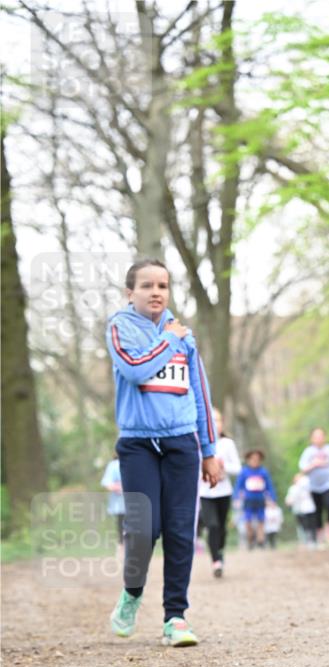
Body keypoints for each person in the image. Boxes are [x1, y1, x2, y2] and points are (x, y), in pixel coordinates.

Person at [106, 258, 219, 646]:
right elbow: (136, 369)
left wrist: (209, 449)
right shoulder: (120, 328)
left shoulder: (184, 336)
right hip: (138, 443)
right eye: (147, 286)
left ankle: (176, 617)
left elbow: (200, 394)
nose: (156, 292)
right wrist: (168, 339)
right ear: (130, 293)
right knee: (142, 530)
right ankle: (131, 595)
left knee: (179, 530)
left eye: (163, 286)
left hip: (181, 443)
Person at [199, 408, 241, 578]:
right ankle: (216, 561)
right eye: (211, 420)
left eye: (218, 420)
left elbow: (237, 468)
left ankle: (220, 550)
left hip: (224, 492)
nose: (215, 424)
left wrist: (223, 466)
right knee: (212, 526)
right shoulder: (198, 444)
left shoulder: (227, 444)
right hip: (206, 492)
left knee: (222, 527)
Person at [298, 427, 329, 544]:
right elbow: (302, 468)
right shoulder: (308, 452)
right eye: (316, 436)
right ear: (311, 439)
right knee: (317, 510)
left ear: (324, 437)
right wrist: (313, 464)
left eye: (321, 436)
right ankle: (319, 535)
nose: (319, 439)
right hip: (314, 486)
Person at [233, 449, 277, 549]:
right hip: (248, 500)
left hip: (260, 499)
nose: (255, 461)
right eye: (252, 459)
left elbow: (269, 486)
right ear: (248, 460)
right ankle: (250, 539)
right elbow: (238, 486)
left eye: (257, 459)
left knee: (261, 519)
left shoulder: (263, 472)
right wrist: (236, 498)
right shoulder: (244, 472)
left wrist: (272, 499)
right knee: (247, 520)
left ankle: (261, 540)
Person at [285, 472, 317, 548]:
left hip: (310, 509)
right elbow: (289, 499)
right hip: (299, 510)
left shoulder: (307, 486)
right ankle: (304, 542)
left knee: (311, 525)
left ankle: (312, 541)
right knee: (302, 526)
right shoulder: (293, 488)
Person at [100, 453, 125, 546]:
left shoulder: (136, 462)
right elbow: (107, 482)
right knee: (122, 527)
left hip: (133, 503)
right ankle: (122, 547)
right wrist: (118, 487)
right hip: (120, 503)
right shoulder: (114, 465)